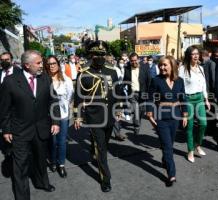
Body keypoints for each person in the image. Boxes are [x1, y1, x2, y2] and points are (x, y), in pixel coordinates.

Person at [0, 50, 60, 200]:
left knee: (40, 160)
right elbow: (4, 108)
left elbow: (53, 101)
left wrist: (55, 121)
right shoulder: (10, 81)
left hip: (41, 128)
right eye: (39, 63)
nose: (42, 65)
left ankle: (42, 183)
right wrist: (6, 129)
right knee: (20, 167)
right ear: (27, 65)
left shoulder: (45, 78)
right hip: (19, 130)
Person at [73, 40, 118, 192]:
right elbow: (79, 97)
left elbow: (116, 92)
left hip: (110, 115)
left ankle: (94, 149)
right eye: (97, 54)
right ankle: (106, 179)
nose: (100, 57)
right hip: (94, 117)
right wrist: (78, 116)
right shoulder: (84, 73)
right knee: (102, 148)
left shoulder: (112, 71)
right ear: (91, 55)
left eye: (102, 54)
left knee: (104, 144)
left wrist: (119, 109)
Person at [147, 55, 187, 187]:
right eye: (160, 65)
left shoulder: (180, 81)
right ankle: (171, 174)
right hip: (162, 117)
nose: (162, 67)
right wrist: (150, 114)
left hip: (175, 116)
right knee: (168, 146)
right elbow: (150, 99)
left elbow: (183, 98)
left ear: (172, 66)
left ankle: (165, 159)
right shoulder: (156, 80)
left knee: (169, 143)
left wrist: (185, 114)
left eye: (165, 65)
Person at [179, 46, 210, 163]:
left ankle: (198, 145)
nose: (196, 56)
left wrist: (206, 99)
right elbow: (180, 88)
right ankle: (190, 150)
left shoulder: (201, 68)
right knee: (190, 127)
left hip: (200, 99)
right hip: (188, 99)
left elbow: (204, 85)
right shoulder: (183, 69)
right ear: (189, 56)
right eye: (193, 54)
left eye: (197, 53)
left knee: (203, 124)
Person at [45, 55, 73, 178]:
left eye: (53, 63)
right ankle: (52, 161)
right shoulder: (44, 79)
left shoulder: (66, 79)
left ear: (57, 64)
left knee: (61, 141)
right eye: (49, 64)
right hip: (48, 116)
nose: (51, 66)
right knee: (52, 140)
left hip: (63, 115)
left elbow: (70, 96)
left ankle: (61, 164)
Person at [123, 52, 151, 135]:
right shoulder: (127, 68)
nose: (134, 62)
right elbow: (125, 80)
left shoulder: (145, 67)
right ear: (130, 61)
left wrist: (149, 93)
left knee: (141, 111)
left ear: (138, 60)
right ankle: (136, 126)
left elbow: (149, 80)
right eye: (132, 61)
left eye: (135, 60)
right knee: (136, 111)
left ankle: (138, 122)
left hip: (143, 92)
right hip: (132, 94)